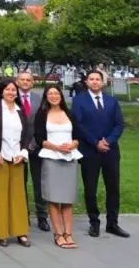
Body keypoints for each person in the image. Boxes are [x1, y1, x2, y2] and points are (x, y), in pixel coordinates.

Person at [72, 70, 128, 239]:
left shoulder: (112, 101)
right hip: (90, 151)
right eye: (92, 79)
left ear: (103, 83)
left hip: (110, 151)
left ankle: (112, 223)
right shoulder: (78, 100)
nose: (95, 82)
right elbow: (78, 124)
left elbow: (119, 124)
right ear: (87, 82)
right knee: (91, 188)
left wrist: (108, 141)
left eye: (98, 79)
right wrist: (95, 142)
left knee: (113, 187)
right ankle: (94, 222)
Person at [0, 78, 31, 247]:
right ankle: (2, 233)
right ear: (1, 91)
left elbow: (27, 133)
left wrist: (24, 152)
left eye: (13, 90)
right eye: (8, 90)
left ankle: (21, 232)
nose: (11, 93)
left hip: (17, 157)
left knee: (19, 196)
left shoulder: (20, 109)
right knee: (1, 195)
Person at [35, 86, 82, 249]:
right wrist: (56, 148)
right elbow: (39, 138)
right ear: (46, 97)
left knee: (68, 198)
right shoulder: (42, 115)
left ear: (61, 96)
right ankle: (58, 233)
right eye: (50, 94)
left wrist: (72, 145)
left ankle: (68, 233)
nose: (54, 96)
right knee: (54, 197)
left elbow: (77, 136)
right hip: (51, 158)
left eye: (57, 93)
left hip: (70, 158)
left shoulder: (69, 114)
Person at [15, 70, 49, 232]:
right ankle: (23, 214)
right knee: (20, 182)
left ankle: (42, 216)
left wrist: (34, 143)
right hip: (16, 147)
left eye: (28, 80)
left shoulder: (39, 99)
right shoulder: (10, 98)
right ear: (17, 81)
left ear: (32, 82)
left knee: (39, 183)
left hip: (36, 147)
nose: (25, 82)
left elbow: (43, 123)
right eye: (22, 79)